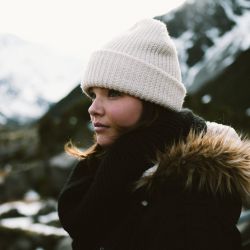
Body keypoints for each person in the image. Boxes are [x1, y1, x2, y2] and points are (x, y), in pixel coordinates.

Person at [57, 18, 250, 250]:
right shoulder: (106, 167)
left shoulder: (192, 193)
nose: (93, 108)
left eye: (113, 93)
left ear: (152, 100)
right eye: (93, 95)